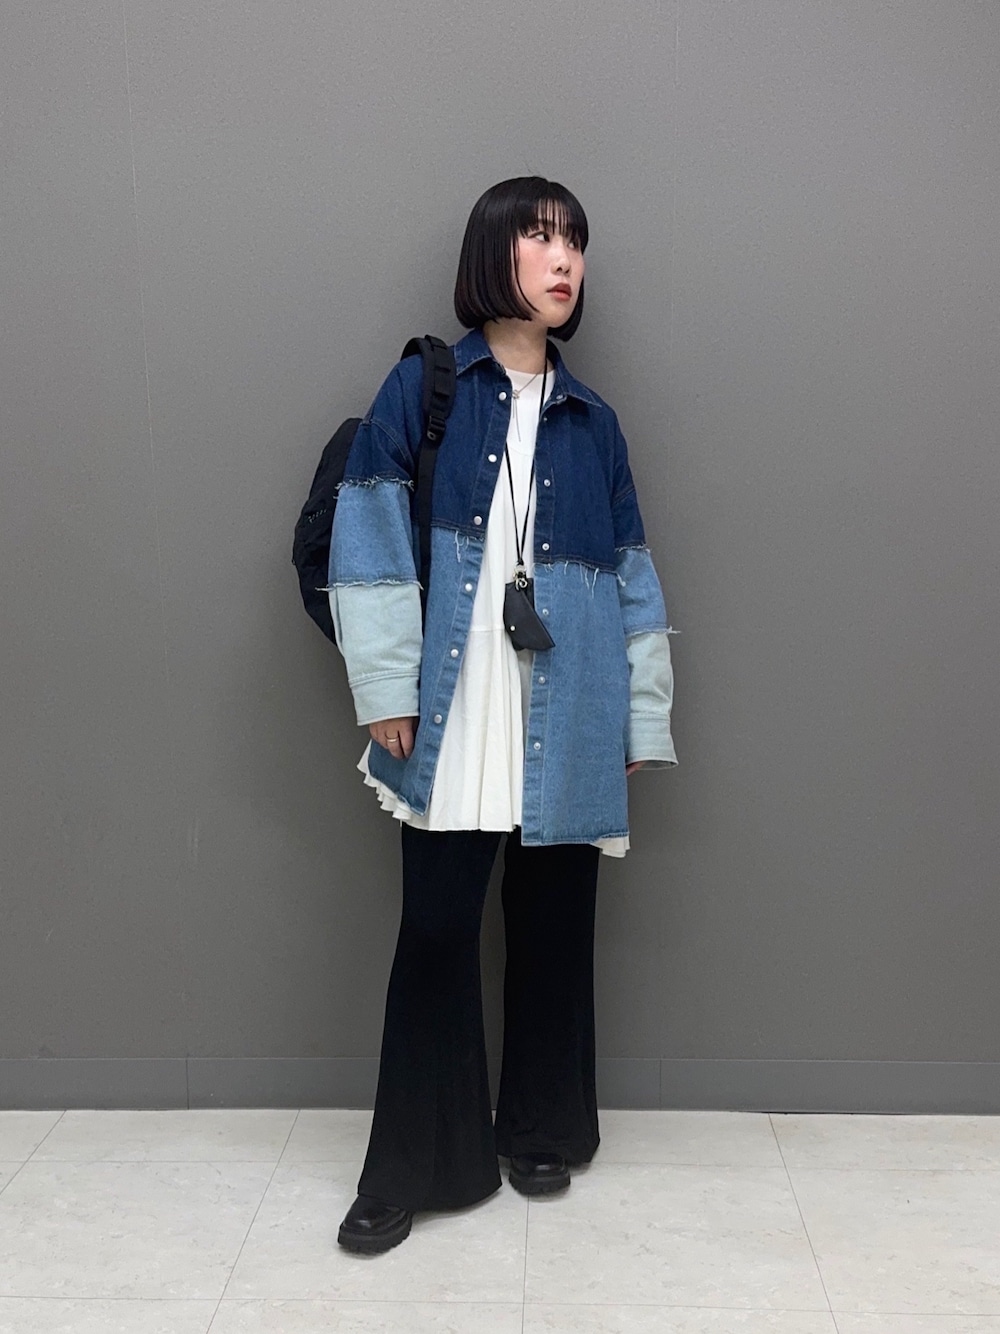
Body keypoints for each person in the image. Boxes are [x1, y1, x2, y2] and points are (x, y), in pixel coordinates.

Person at [326, 176, 678, 1254]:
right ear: (494, 253)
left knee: (554, 926)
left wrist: (639, 715)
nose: (564, 259)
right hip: (455, 699)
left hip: (569, 702)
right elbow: (367, 531)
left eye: (574, 240)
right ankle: (414, 1165)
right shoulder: (425, 385)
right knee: (436, 932)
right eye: (539, 236)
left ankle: (539, 1129)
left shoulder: (595, 422)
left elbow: (630, 575)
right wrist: (387, 687)